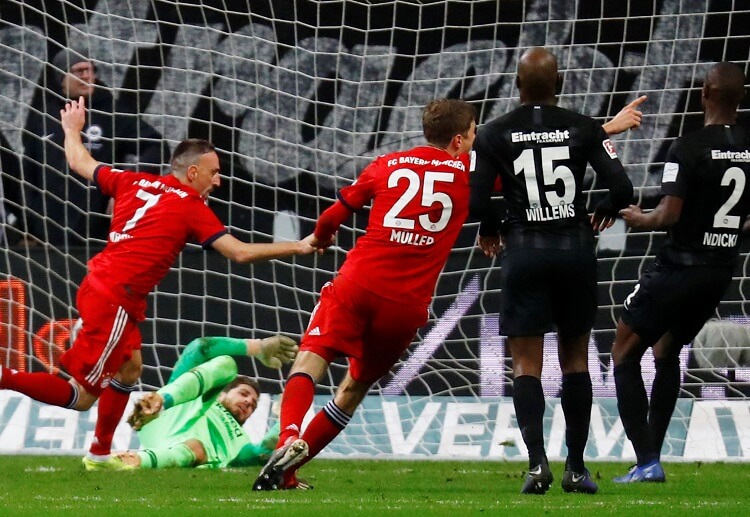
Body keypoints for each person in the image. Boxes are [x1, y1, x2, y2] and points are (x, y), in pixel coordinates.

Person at [0, 96, 320, 470]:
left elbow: (79, 161)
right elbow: (239, 253)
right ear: (193, 172)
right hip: (115, 297)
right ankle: (6, 378)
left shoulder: (133, 181)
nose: (219, 180)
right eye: (214, 172)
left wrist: (72, 129)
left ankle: (100, 453)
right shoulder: (189, 205)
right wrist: (298, 245)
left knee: (131, 370)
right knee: (81, 395)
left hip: (104, 286)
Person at [245, 98, 476, 490]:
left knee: (310, 359)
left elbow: (331, 217)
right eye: (473, 134)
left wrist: (320, 238)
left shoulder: (388, 164)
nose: (474, 141)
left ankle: (287, 440)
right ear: (457, 140)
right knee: (352, 390)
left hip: (358, 283)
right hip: (405, 306)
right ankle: (288, 472)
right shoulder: (470, 172)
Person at [469, 47, 634, 495]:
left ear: (517, 85)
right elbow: (622, 186)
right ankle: (576, 468)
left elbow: (477, 199)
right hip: (575, 250)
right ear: (558, 84)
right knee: (576, 360)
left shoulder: (493, 133)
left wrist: (490, 227)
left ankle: (538, 464)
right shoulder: (584, 127)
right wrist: (602, 208)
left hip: (524, 251)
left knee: (526, 364)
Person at [612, 61, 750, 483]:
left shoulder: (686, 148)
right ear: (740, 97)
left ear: (704, 93)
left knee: (623, 352)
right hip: (720, 271)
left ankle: (646, 458)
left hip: (679, 267)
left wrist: (638, 217)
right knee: (667, 350)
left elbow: (668, 215)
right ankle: (651, 458)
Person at [20, 46, 167, 246]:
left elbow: (156, 145)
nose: (88, 76)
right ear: (62, 77)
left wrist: (128, 189)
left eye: (91, 70)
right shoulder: (43, 117)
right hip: (50, 234)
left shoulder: (111, 112)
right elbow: (29, 175)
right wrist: (29, 225)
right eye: (80, 71)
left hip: (98, 229)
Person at [114, 335, 298, 471]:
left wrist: (285, 412)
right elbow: (200, 348)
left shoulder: (242, 443)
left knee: (196, 447)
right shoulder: (194, 393)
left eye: (254, 405)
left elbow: (266, 450)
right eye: (243, 393)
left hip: (184, 453)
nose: (248, 401)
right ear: (221, 395)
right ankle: (160, 402)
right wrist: (258, 347)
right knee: (228, 365)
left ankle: (131, 460)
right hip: (164, 415)